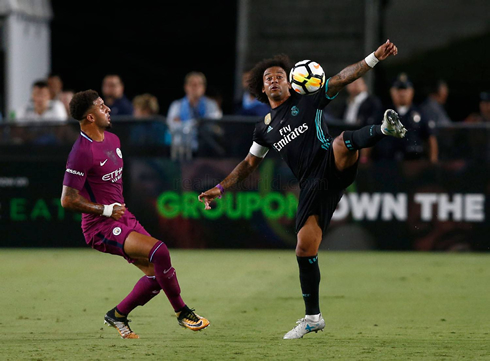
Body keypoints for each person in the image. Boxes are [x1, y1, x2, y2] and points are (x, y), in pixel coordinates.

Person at [198, 40, 405, 339]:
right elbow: (249, 164)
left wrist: (374, 57)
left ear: (290, 80)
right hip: (312, 185)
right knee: (304, 249)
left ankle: (385, 129)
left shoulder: (309, 100)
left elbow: (342, 77)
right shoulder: (264, 127)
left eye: (279, 76)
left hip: (332, 164)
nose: (274, 80)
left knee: (342, 141)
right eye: (268, 78)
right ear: (261, 88)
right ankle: (313, 318)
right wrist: (220, 187)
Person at [61, 90, 209, 339]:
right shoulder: (81, 152)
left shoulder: (113, 140)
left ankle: (117, 315)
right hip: (100, 226)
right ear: (89, 117)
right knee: (160, 251)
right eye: (100, 106)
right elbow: (68, 199)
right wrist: (105, 209)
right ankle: (183, 313)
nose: (107, 108)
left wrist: (115, 209)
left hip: (122, 217)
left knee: (155, 275)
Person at [373, 73, 438, 163]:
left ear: (412, 91)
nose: (402, 93)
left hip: (413, 165)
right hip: (386, 164)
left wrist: (432, 163)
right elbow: (371, 136)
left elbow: (431, 138)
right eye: (398, 90)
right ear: (391, 92)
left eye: (405, 89)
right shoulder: (382, 113)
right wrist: (365, 161)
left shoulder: (421, 113)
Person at [166, 71, 222, 158]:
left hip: (206, 150)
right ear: (186, 87)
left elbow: (213, 124)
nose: (195, 87)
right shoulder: (176, 105)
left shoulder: (211, 105)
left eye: (198, 84)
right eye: (192, 84)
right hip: (182, 150)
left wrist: (184, 123)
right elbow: (172, 127)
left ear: (203, 88)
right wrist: (198, 124)